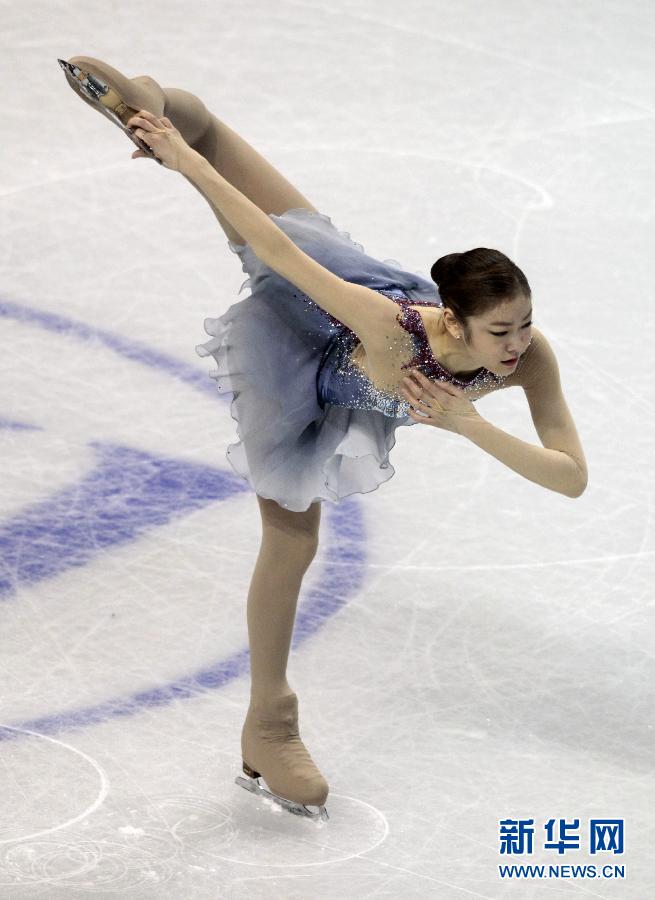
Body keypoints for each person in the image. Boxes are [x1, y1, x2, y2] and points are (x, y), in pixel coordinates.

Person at [59, 56, 588, 821]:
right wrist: (181, 165)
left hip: (354, 339)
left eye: (523, 324)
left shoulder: (525, 359)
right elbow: (276, 251)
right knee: (292, 536)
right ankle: (270, 719)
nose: (516, 344)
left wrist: (468, 423)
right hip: (300, 353)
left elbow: (569, 477)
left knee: (213, 139)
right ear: (454, 321)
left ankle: (172, 109)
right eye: (500, 330)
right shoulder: (392, 326)